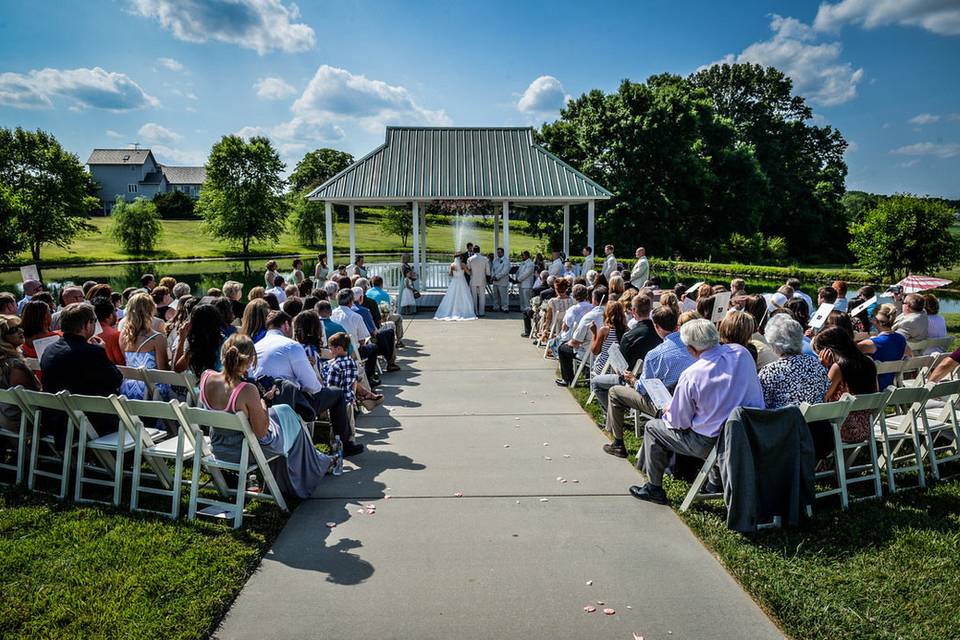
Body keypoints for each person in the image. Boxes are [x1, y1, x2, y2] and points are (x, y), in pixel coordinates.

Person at [630, 319, 764, 504]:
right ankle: (715, 482)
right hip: (747, 432)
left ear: (691, 349)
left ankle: (654, 488)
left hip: (709, 442)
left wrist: (668, 410)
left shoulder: (693, 374)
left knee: (653, 428)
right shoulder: (743, 354)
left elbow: (679, 422)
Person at [200, 333, 333, 498]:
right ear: (249, 361)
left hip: (218, 447)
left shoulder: (206, 378)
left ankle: (317, 460)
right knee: (293, 422)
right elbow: (261, 432)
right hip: (245, 451)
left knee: (284, 411)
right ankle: (308, 472)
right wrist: (263, 402)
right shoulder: (247, 390)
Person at [252, 311, 361, 456]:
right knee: (337, 393)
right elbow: (313, 386)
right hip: (291, 405)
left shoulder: (256, 346)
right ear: (285, 325)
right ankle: (345, 444)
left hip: (264, 404)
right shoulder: (291, 346)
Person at [603, 306, 695, 457]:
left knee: (614, 392)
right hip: (689, 404)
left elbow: (643, 389)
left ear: (656, 327)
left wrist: (632, 379)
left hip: (664, 405)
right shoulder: (693, 346)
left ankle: (618, 443)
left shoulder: (655, 354)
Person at [41, 303, 123, 440]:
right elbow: (116, 379)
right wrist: (103, 351)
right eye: (94, 321)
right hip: (91, 423)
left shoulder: (49, 350)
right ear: (86, 325)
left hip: (58, 421)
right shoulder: (91, 352)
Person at [812, 327, 879, 459]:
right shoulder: (869, 362)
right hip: (865, 427)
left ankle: (820, 466)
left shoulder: (839, 367)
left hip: (842, 427)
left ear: (828, 350)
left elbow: (821, 397)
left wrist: (822, 367)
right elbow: (876, 392)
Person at [758, 314, 829, 409]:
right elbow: (824, 393)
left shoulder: (770, 371)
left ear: (776, 344)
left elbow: (761, 404)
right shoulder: (816, 363)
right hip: (814, 422)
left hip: (784, 422)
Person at [119, 293, 170, 399]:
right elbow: (163, 370)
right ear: (151, 310)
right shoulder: (157, 338)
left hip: (127, 388)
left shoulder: (123, 335)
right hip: (152, 391)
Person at [556, 286, 606, 386]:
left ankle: (568, 379)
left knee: (562, 348)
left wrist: (569, 342)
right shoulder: (613, 313)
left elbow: (576, 342)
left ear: (594, 299)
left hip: (591, 353)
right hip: (607, 354)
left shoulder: (590, 316)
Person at [0, 315, 40, 432]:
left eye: (19, 327)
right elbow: (32, 398)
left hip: (5, 418)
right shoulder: (14, 365)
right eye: (13, 330)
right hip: (21, 421)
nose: (21, 331)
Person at [858, 305, 907, 389]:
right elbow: (909, 354)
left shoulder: (872, 343)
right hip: (891, 387)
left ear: (875, 320)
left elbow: (848, 350)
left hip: (874, 388)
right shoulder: (901, 339)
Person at [173, 304, 224, 378]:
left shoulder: (195, 347)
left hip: (200, 387)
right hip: (221, 386)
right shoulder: (225, 342)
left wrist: (181, 340)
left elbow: (177, 369)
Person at [434, 253, 477, 322]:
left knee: (452, 296)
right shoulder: (462, 264)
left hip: (454, 281)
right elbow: (468, 273)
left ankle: (451, 311)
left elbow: (450, 274)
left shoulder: (452, 265)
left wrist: (454, 272)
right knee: (464, 296)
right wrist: (471, 270)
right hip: (462, 281)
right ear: (461, 258)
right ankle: (464, 311)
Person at [321, 332, 359, 405]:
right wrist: (353, 396)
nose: (330, 351)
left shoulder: (335, 366)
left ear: (338, 349)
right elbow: (354, 382)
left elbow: (330, 388)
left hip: (337, 403)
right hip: (349, 400)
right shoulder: (352, 362)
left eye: (331, 349)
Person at [92, 296, 125, 366]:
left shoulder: (86, 332)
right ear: (110, 316)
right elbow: (122, 362)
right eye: (115, 311)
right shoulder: (115, 335)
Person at [540, 278, 574, 344]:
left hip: (555, 328)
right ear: (566, 288)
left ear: (556, 289)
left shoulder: (552, 301)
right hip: (569, 327)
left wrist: (546, 329)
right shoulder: (572, 301)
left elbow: (548, 318)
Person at [517, 250, 536, 336]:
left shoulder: (530, 264)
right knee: (522, 299)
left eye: (523, 255)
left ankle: (528, 313)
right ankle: (523, 311)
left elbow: (526, 273)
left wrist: (518, 279)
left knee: (527, 300)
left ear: (527, 256)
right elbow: (519, 272)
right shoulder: (522, 263)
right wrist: (517, 278)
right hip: (521, 284)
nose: (522, 257)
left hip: (527, 284)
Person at [467, 246, 490, 316]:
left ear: (473, 251)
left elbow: (469, 268)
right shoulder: (485, 259)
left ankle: (475, 311)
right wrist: (488, 275)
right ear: (479, 250)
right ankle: (482, 312)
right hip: (482, 279)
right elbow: (488, 271)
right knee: (482, 297)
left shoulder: (470, 259)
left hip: (473, 279)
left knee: (474, 296)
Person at [491, 247, 511, 312]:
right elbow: (492, 269)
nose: (498, 254)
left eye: (499, 252)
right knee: (495, 296)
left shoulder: (506, 261)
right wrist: (493, 276)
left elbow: (504, 271)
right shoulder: (495, 260)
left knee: (503, 296)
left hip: (502, 281)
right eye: (497, 252)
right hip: (495, 281)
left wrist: (497, 277)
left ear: (503, 253)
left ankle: (505, 308)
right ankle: (496, 307)